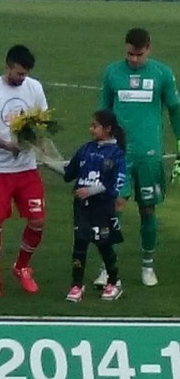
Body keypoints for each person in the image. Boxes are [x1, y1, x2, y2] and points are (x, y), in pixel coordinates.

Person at [97, 27, 180, 288]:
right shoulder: (112, 73)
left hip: (149, 154)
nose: (134, 59)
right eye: (130, 54)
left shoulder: (162, 74)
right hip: (118, 154)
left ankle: (147, 266)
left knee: (147, 209)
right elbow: (103, 113)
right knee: (114, 207)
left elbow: (175, 110)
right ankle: (106, 268)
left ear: (149, 49)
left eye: (139, 54)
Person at [0, 45, 48, 298]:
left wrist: (35, 140)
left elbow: (42, 121)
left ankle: (22, 267)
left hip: (26, 168)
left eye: (24, 75)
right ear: (8, 66)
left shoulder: (34, 88)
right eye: (18, 73)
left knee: (37, 220)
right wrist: (6, 145)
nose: (21, 79)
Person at [55, 109, 126, 302]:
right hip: (81, 207)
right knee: (80, 243)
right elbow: (69, 173)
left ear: (108, 128)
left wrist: (91, 190)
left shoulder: (116, 153)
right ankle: (77, 285)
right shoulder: (86, 149)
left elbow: (115, 183)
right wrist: (47, 161)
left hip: (102, 207)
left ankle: (114, 281)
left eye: (95, 126)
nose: (91, 129)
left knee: (103, 244)